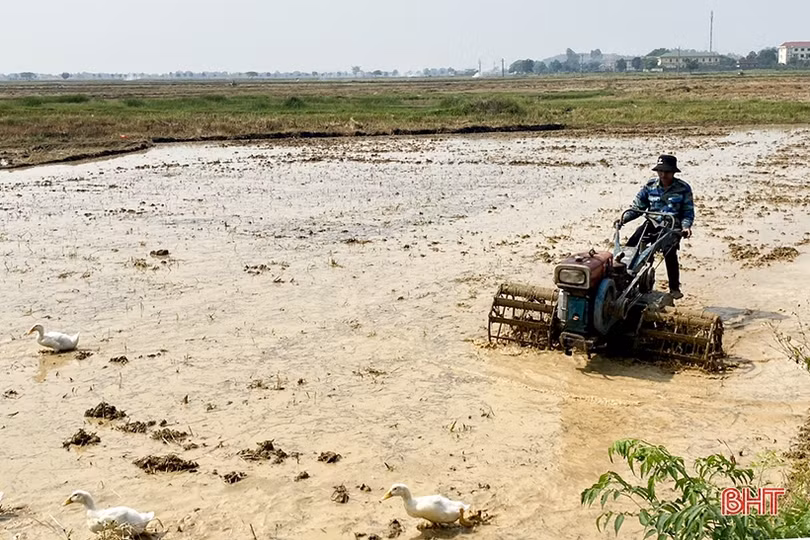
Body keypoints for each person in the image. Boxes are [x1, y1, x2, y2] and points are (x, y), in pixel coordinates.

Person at [616, 154, 694, 299]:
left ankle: (674, 288)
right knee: (631, 246)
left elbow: (687, 212)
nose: (663, 174)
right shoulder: (650, 185)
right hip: (652, 222)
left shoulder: (683, 188)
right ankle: (625, 280)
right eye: (661, 171)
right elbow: (638, 206)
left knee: (669, 252)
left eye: (667, 172)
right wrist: (623, 219)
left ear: (673, 172)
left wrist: (686, 227)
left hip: (671, 225)